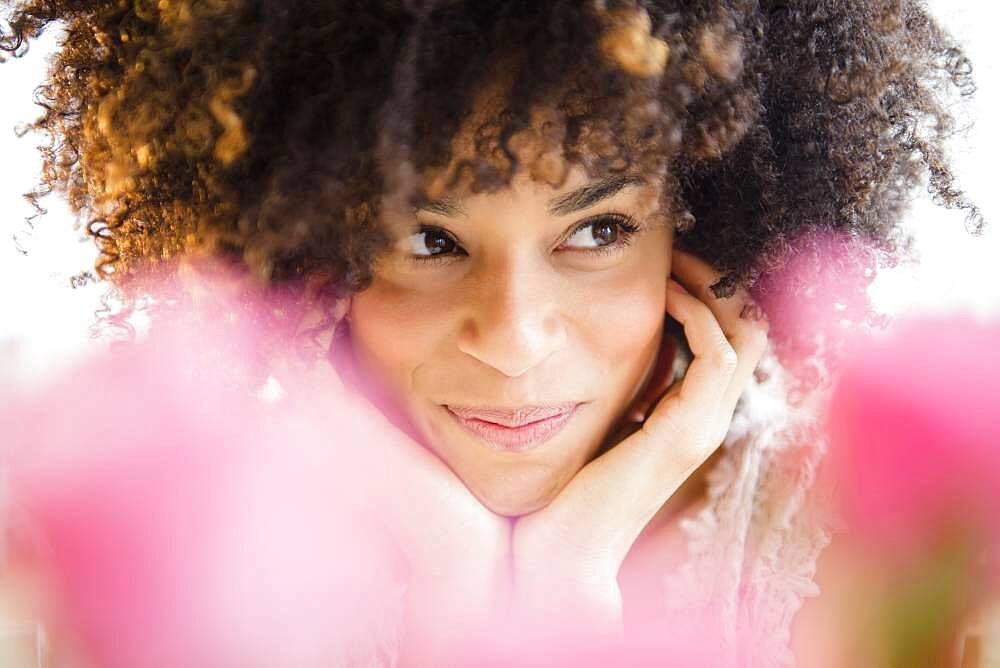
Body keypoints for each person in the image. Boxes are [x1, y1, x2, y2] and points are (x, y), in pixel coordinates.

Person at [0, 0, 983, 664]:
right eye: (427, 238)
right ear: (306, 254)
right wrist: (457, 587)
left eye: (596, 230)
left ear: (696, 236)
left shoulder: (869, 548)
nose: (512, 339)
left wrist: (560, 586)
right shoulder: (169, 545)